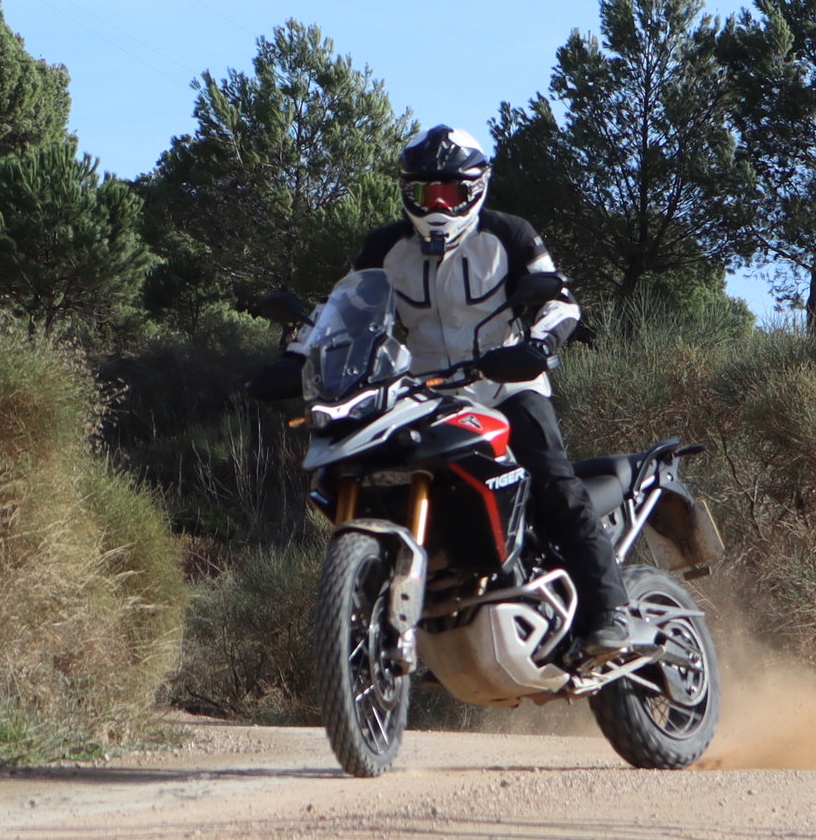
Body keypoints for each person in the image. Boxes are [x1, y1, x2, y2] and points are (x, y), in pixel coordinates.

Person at [252, 124, 632, 657]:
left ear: (474, 189)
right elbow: (344, 309)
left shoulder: (509, 234)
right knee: (374, 475)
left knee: (555, 486)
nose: (436, 202)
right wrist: (299, 355)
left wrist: (541, 345)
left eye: (449, 191)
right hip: (422, 394)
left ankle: (610, 613)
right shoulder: (385, 246)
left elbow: (561, 301)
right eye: (425, 191)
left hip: (506, 385)